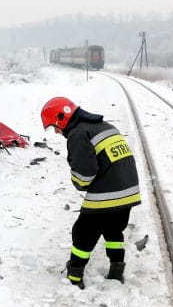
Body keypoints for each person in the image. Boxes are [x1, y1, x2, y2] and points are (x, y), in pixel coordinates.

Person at [41, 97, 141, 289]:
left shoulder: (78, 133)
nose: (56, 131)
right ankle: (116, 270)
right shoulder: (105, 126)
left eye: (55, 126)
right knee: (113, 230)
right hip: (129, 191)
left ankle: (75, 274)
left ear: (62, 117)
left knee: (83, 233)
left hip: (108, 194)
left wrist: (78, 181)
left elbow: (85, 174)